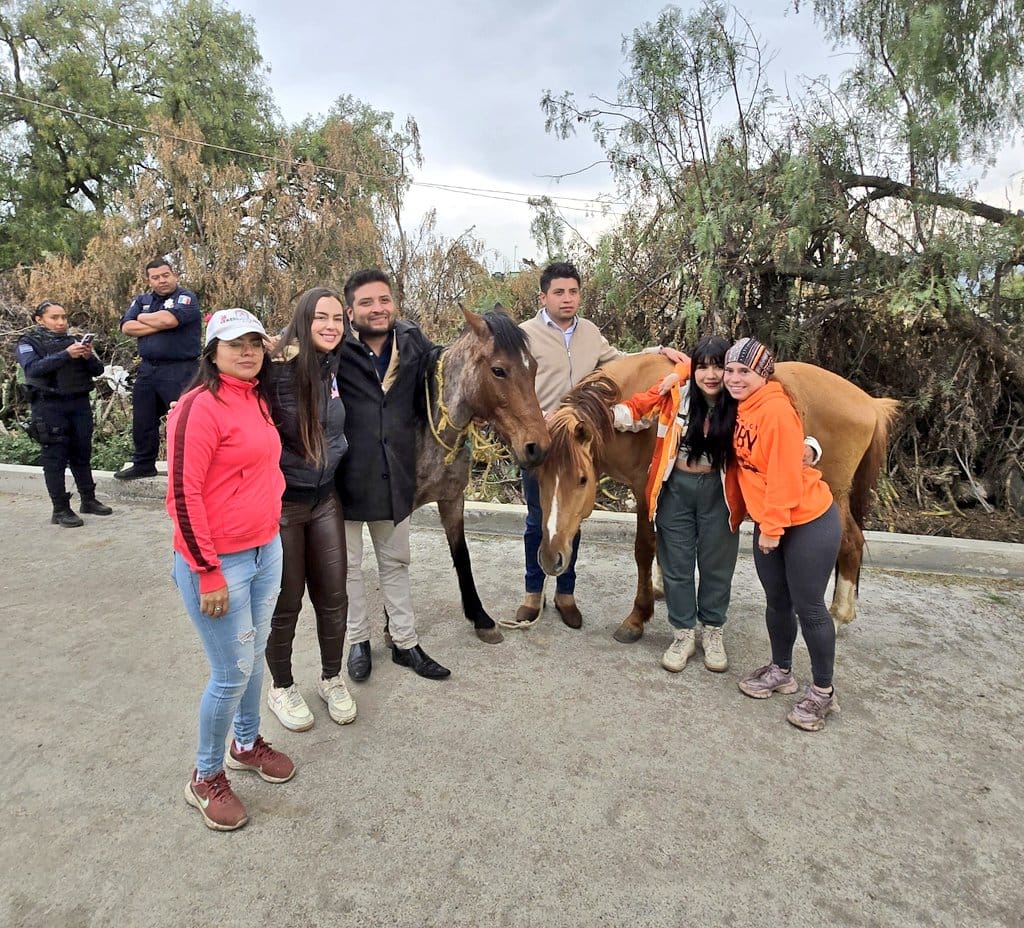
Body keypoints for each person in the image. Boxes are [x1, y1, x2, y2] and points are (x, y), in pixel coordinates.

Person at [167, 308, 295, 831]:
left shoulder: (259, 397)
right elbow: (182, 492)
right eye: (235, 343)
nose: (247, 351)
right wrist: (207, 570)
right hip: (219, 563)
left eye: (255, 343)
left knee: (253, 655)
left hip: (267, 551)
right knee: (230, 672)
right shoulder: (199, 407)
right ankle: (204, 775)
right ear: (212, 350)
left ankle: (246, 742)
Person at [516, 260, 684, 628]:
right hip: (544, 441)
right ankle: (532, 593)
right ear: (543, 296)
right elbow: (512, 388)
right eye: (558, 292)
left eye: (573, 292)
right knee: (537, 519)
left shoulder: (589, 332)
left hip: (577, 441)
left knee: (573, 516)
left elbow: (620, 361)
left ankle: (565, 594)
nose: (567, 299)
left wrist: (659, 351)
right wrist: (536, 417)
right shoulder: (524, 336)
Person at [335, 269, 450, 681]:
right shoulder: (333, 349)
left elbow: (448, 371)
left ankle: (405, 643)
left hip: (394, 477)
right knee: (347, 569)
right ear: (350, 311)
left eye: (383, 300)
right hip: (343, 481)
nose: (377, 309)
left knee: (396, 564)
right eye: (366, 303)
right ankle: (357, 642)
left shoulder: (414, 343)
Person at [724, 337, 842, 732]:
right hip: (770, 519)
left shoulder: (774, 410)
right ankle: (782, 670)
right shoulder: (741, 406)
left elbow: (785, 478)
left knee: (809, 607)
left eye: (745, 371)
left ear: (763, 374)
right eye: (730, 370)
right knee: (777, 600)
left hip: (807, 520)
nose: (735, 378)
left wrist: (771, 530)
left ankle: (824, 691)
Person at [611, 336, 742, 673]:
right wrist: (593, 414)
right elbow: (636, 410)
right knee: (676, 566)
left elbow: (776, 429)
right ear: (693, 370)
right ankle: (683, 633)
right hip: (676, 490)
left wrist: (810, 448)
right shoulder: (675, 394)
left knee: (717, 566)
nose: (711, 375)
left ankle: (713, 632)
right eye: (703, 367)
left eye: (718, 367)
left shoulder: (742, 401)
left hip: (719, 490)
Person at [262, 287, 356, 732]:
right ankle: (280, 686)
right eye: (321, 317)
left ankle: (331, 678)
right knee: (286, 602)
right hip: (283, 504)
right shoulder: (277, 369)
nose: (331, 326)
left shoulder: (333, 363)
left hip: (325, 499)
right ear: (303, 319)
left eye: (338, 318)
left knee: (334, 597)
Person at [15, 300, 113, 527]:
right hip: (49, 406)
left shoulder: (73, 342)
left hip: (78, 403)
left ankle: (88, 499)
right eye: (54, 318)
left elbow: (98, 370)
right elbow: (32, 369)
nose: (61, 322)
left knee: (82, 453)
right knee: (55, 458)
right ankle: (60, 509)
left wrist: (87, 356)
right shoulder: (28, 342)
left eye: (63, 317)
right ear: (40, 319)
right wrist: (66, 355)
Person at [115, 259, 201, 480]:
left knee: (184, 421)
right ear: (149, 280)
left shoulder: (185, 297)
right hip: (148, 370)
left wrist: (143, 319)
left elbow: (170, 320)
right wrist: (156, 322)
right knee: (143, 420)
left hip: (180, 370)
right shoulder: (142, 300)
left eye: (165, 275)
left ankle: (189, 468)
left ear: (174, 275)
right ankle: (143, 464)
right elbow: (127, 326)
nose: (162, 280)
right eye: (156, 277)